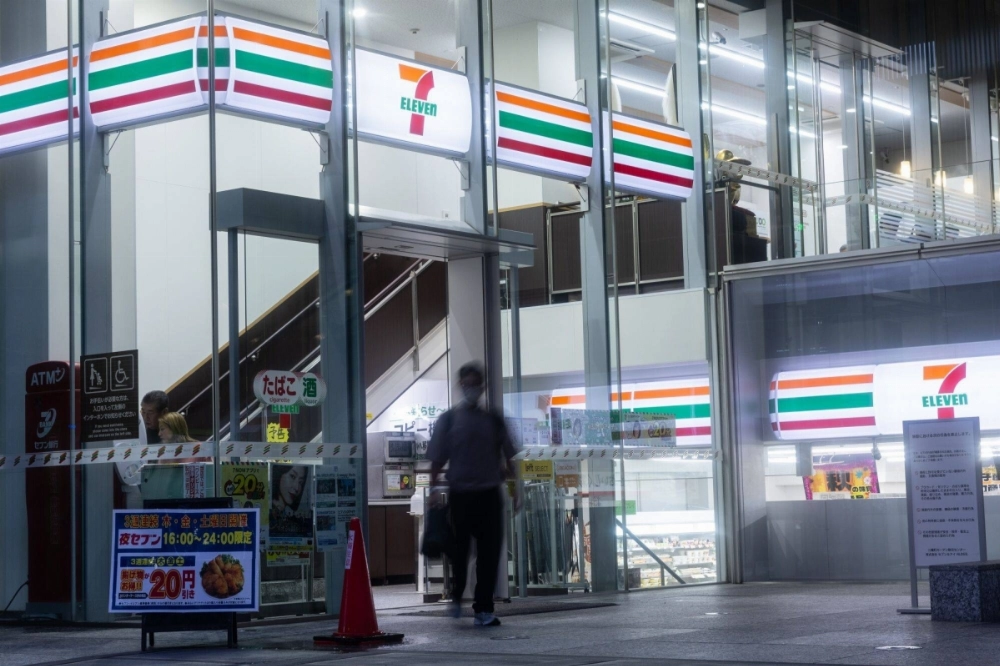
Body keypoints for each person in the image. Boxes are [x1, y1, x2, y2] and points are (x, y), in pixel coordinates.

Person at [428, 361, 520, 628]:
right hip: (460, 495)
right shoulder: (449, 420)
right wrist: (433, 489)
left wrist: (516, 490)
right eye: (466, 384)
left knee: (489, 555)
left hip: (490, 495)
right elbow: (435, 460)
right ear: (460, 386)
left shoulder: (494, 419)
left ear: (482, 387)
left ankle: (483, 608)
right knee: (460, 552)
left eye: (475, 384)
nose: (471, 389)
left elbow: (511, 457)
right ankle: (456, 594)